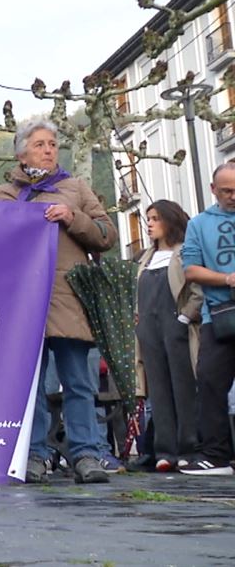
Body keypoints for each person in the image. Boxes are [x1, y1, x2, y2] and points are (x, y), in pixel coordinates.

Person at [0, 118, 116, 484]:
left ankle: (86, 455)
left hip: (68, 301)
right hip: (23, 303)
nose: (49, 150)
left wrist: (73, 217)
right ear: (20, 152)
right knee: (29, 385)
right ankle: (34, 454)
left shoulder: (75, 188)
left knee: (78, 381)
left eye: (52, 144)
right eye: (40, 144)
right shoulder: (4, 194)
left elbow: (106, 234)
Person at [135, 200, 203, 473]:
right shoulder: (145, 258)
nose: (149, 223)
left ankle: (189, 448)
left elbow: (197, 290)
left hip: (177, 327)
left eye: (155, 218)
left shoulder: (184, 252)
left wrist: (185, 317)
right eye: (148, 218)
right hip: (149, 330)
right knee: (158, 390)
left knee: (185, 388)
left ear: (170, 221)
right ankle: (165, 451)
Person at [180, 162, 235, 476]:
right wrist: (228, 279)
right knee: (212, 383)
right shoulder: (199, 224)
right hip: (219, 316)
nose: (232, 196)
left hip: (220, 316)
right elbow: (191, 270)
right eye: (226, 190)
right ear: (213, 190)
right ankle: (215, 455)